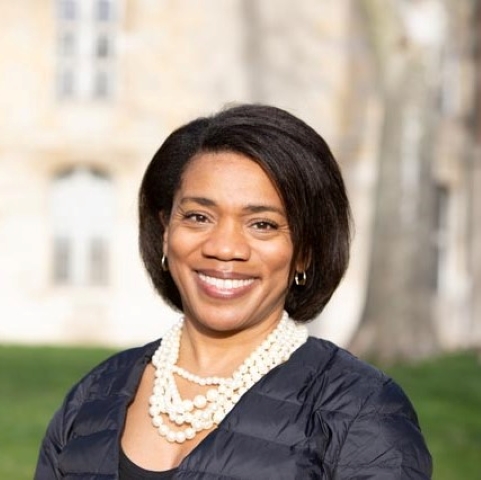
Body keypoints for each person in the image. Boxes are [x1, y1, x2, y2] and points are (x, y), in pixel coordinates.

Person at [34, 103, 432, 479]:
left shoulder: (361, 409)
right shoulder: (94, 396)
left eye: (263, 224)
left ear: (304, 253)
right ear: (166, 231)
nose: (224, 248)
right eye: (198, 217)